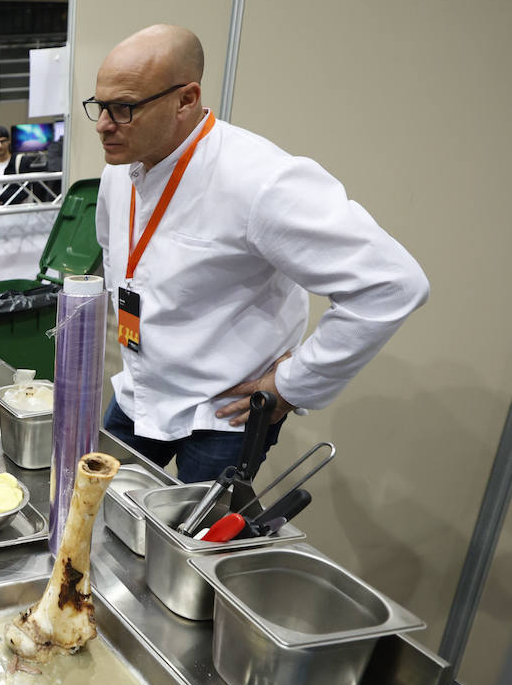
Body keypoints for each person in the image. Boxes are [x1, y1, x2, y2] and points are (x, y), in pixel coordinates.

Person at [89, 24, 429, 482]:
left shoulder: (260, 181)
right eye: (100, 105)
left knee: (193, 546)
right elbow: (118, 257)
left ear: (186, 99)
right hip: (140, 392)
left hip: (221, 413)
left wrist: (291, 386)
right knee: (95, 511)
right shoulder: (122, 168)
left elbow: (391, 283)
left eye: (123, 108)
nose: (104, 125)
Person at [0, 126, 30, 205]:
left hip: (16, 211)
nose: (0, 146)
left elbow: (25, 191)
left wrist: (0, 197)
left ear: (9, 141)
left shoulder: (21, 162)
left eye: (2, 141)